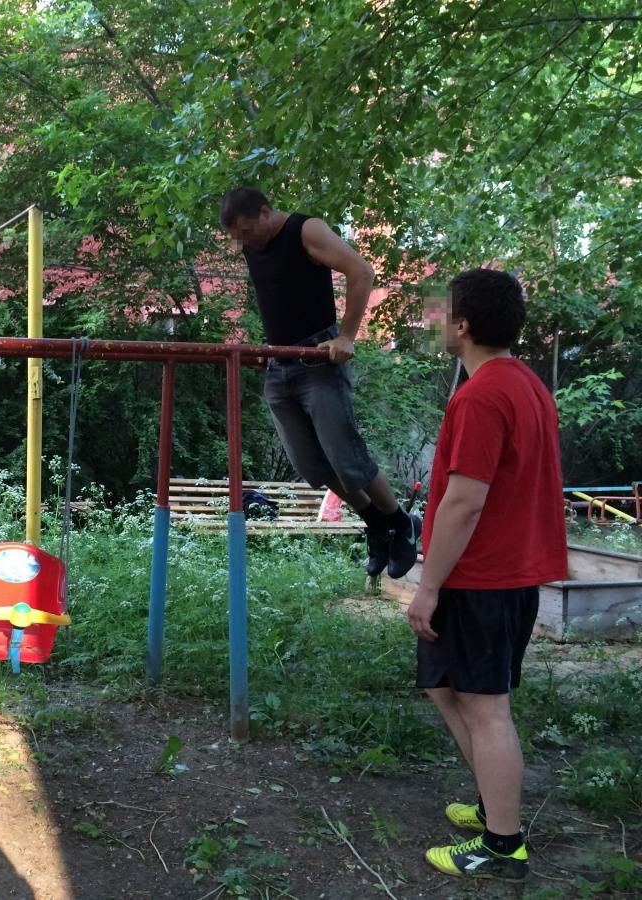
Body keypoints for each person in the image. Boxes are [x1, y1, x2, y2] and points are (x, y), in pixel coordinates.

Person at [408, 268, 566, 882]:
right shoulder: (527, 384)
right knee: (445, 686)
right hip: (503, 576)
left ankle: (503, 846)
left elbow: (464, 501)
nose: (433, 319)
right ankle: (491, 803)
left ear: (464, 324)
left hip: (482, 577)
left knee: (486, 708)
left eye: (441, 310)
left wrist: (427, 586)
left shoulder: (481, 396)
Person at [219, 187, 419, 578]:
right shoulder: (251, 246)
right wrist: (266, 345)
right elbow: (275, 295)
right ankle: (376, 526)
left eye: (246, 231)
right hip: (280, 364)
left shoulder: (306, 230)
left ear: (265, 211)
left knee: (347, 459)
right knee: (311, 465)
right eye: (237, 237)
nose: (244, 242)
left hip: (319, 360)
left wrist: (346, 336)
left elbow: (363, 272)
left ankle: (400, 523)